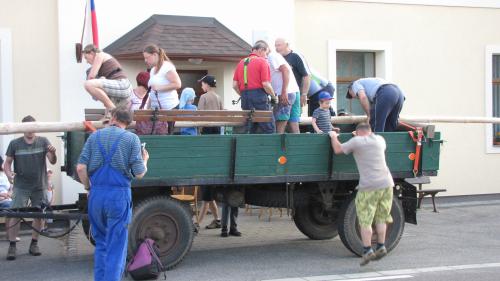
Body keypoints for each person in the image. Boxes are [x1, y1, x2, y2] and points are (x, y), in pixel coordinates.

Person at [76, 107, 149, 281]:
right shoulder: (132, 139)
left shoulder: (95, 136)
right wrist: (145, 159)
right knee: (116, 246)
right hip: (118, 197)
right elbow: (139, 173)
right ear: (129, 122)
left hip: (96, 196)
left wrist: (88, 188)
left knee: (101, 244)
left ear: (113, 117)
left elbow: (80, 168)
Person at [329, 123, 394, 266]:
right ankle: (381, 246)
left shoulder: (356, 142)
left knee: (365, 220)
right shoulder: (380, 140)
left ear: (357, 132)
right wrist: (357, 137)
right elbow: (366, 143)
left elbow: (338, 149)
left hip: (369, 187)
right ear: (370, 131)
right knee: (381, 218)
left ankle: (367, 250)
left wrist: (334, 136)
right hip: (387, 184)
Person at [4, 115, 57, 260]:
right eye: (26, 127)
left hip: (40, 185)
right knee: (15, 215)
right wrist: (9, 174)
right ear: (22, 128)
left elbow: (52, 161)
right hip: (21, 186)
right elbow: (7, 163)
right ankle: (12, 245)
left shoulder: (43, 141)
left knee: (39, 214)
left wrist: (53, 152)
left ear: (36, 127)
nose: (29, 130)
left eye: (32, 126)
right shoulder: (15, 144)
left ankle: (34, 244)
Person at [232, 40, 277, 134]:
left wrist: (244, 95)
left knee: (251, 127)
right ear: (261, 50)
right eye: (266, 53)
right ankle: (270, 148)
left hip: (245, 98)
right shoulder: (262, 61)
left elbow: (235, 85)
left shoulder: (241, 62)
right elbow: (265, 84)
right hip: (259, 96)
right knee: (268, 128)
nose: (266, 57)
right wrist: (273, 97)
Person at [196, 75, 222, 229]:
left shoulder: (204, 97)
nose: (201, 87)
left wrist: (199, 131)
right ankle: (217, 219)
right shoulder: (218, 97)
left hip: (206, 133)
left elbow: (199, 116)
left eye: (202, 84)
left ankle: (198, 222)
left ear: (206, 85)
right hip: (217, 134)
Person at [83, 44, 133, 118]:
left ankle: (112, 108)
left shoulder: (100, 55)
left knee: (88, 84)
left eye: (86, 58)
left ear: (92, 53)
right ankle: (112, 111)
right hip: (121, 89)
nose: (87, 61)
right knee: (110, 119)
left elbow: (91, 76)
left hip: (122, 84)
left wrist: (98, 80)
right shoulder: (103, 62)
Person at [143, 44, 182, 134]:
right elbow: (152, 91)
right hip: (156, 110)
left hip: (169, 109)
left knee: (165, 136)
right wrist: (148, 107)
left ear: (155, 55)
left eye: (147, 57)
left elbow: (178, 84)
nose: (145, 60)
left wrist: (159, 88)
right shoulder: (153, 70)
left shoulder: (166, 67)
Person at [265, 47, 301, 133]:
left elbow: (285, 70)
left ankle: (278, 146)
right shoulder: (275, 56)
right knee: (293, 123)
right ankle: (299, 145)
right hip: (294, 91)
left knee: (280, 121)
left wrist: (284, 91)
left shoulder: (271, 56)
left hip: (286, 93)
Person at [275, 38, 311, 109]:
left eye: (279, 45)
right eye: (275, 46)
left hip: (295, 93)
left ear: (287, 45)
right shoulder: (277, 58)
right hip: (282, 94)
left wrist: (304, 94)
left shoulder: (296, 56)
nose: (277, 48)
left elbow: (306, 75)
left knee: (294, 118)